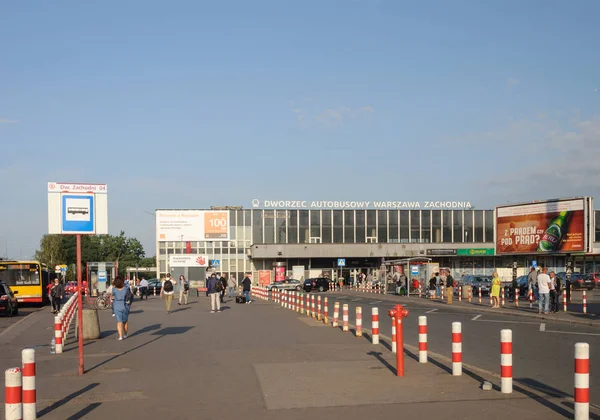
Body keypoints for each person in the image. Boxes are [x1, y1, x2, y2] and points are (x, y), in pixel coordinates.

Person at [111, 276, 131, 341]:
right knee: (125, 321)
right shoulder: (126, 289)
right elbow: (129, 296)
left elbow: (112, 297)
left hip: (117, 305)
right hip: (125, 305)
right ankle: (125, 334)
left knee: (119, 322)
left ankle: (120, 336)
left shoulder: (114, 289)